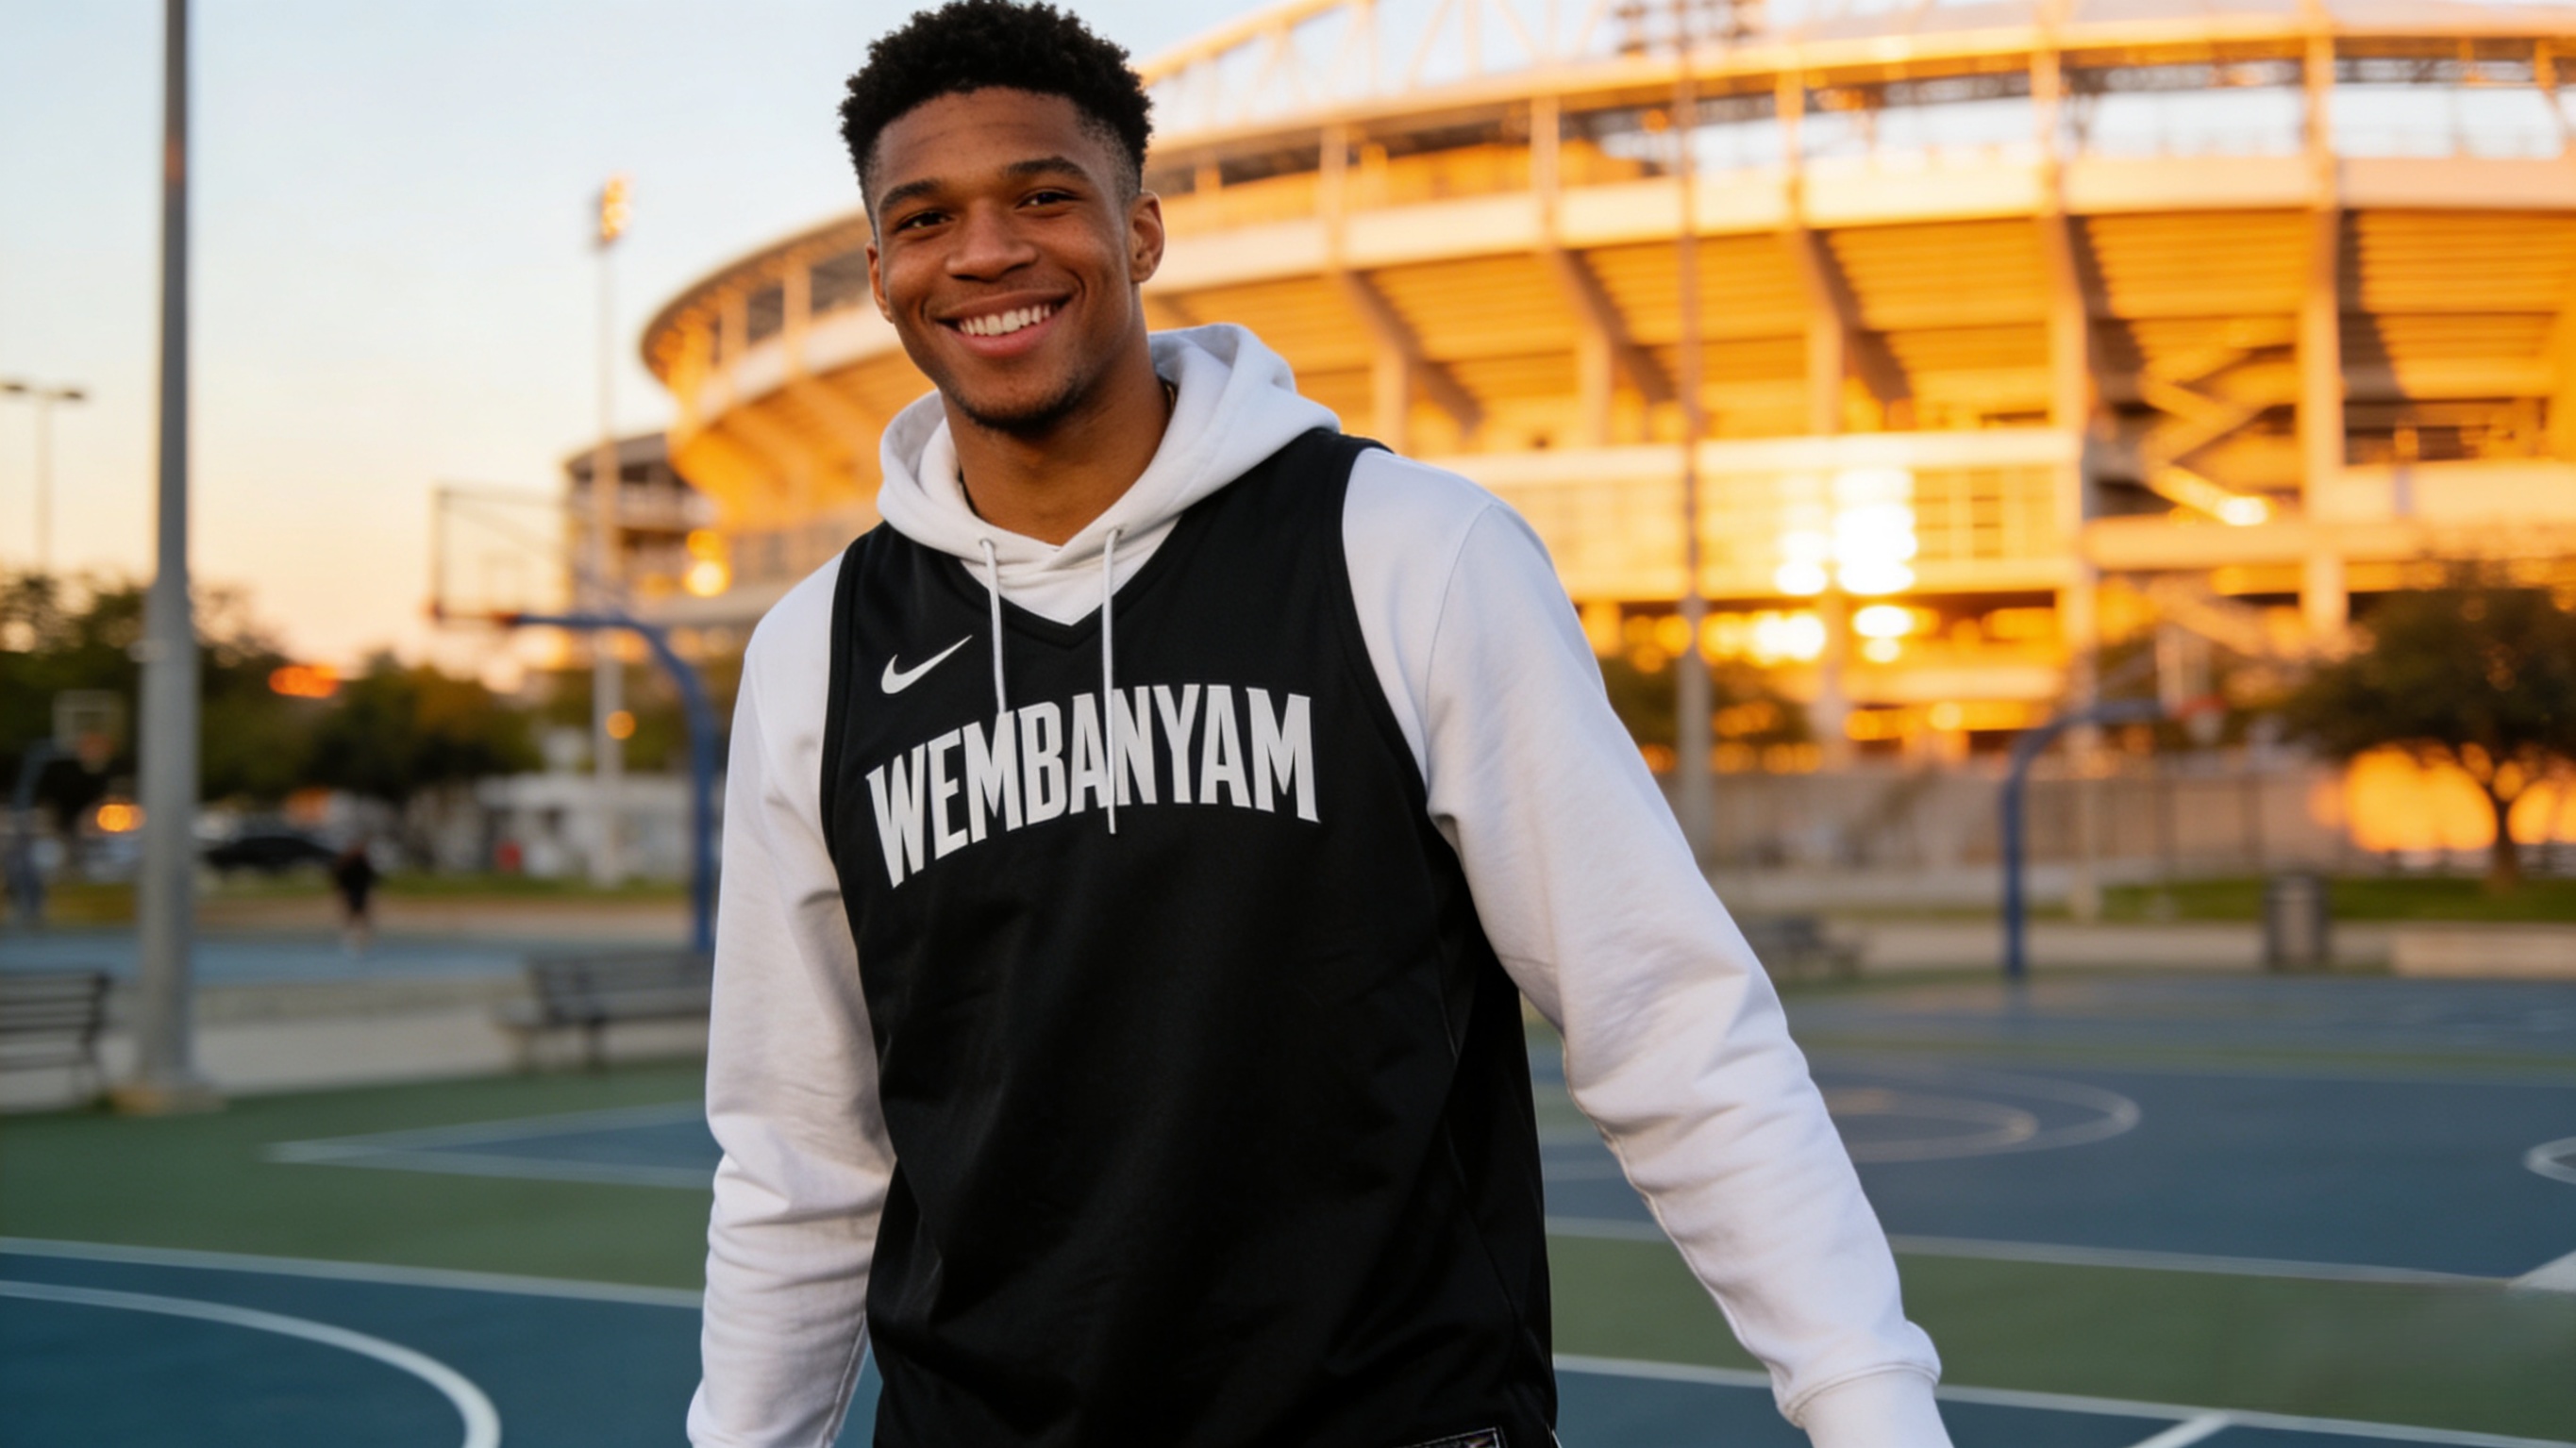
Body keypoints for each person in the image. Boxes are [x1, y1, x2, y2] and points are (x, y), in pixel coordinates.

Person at [692, 4, 1949, 1445]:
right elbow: (798, 1147)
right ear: (876, 274)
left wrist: (1867, 1403)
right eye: (926, 219)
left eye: (1043, 195)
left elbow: (1667, 1022)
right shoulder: (818, 652)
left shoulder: (1410, 551)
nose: (983, 253)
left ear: (1142, 231)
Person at [328, 837, 377, 957]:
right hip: (351, 891)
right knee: (351, 914)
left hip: (361, 891)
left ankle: (364, 937)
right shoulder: (348, 862)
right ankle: (349, 937)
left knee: (363, 914)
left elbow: (371, 877)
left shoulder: (362, 862)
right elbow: (339, 877)